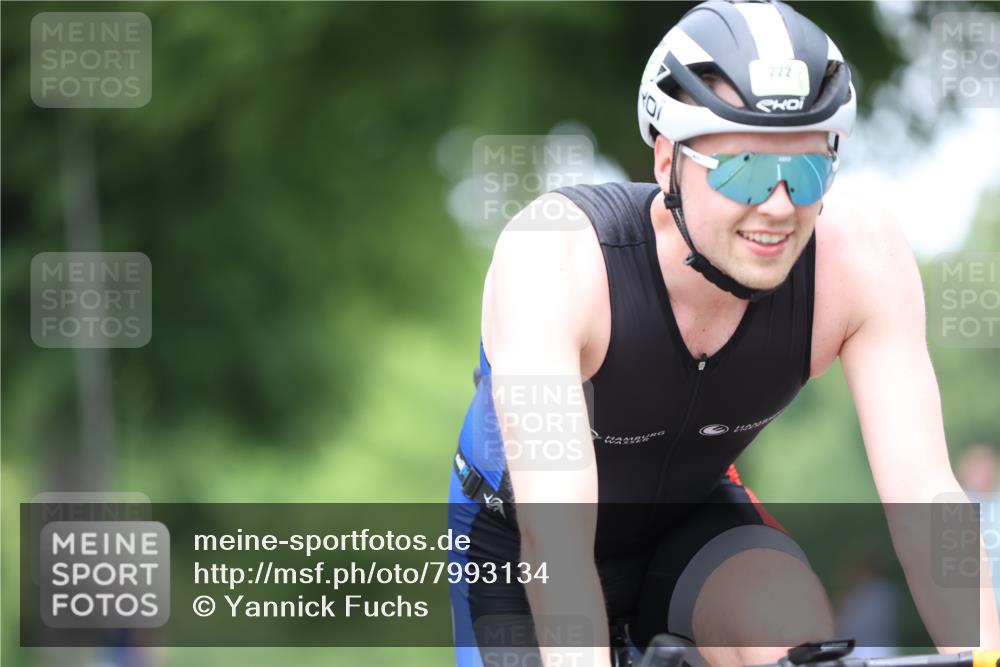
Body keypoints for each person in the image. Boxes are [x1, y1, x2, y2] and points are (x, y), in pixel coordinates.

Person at [447, 1, 1000, 665]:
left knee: (788, 626)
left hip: (695, 529)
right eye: (744, 166)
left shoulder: (862, 260)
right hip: (523, 548)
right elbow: (556, 542)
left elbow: (926, 495)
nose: (777, 205)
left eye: (806, 169)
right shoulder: (554, 258)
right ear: (665, 160)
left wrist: (986, 651)